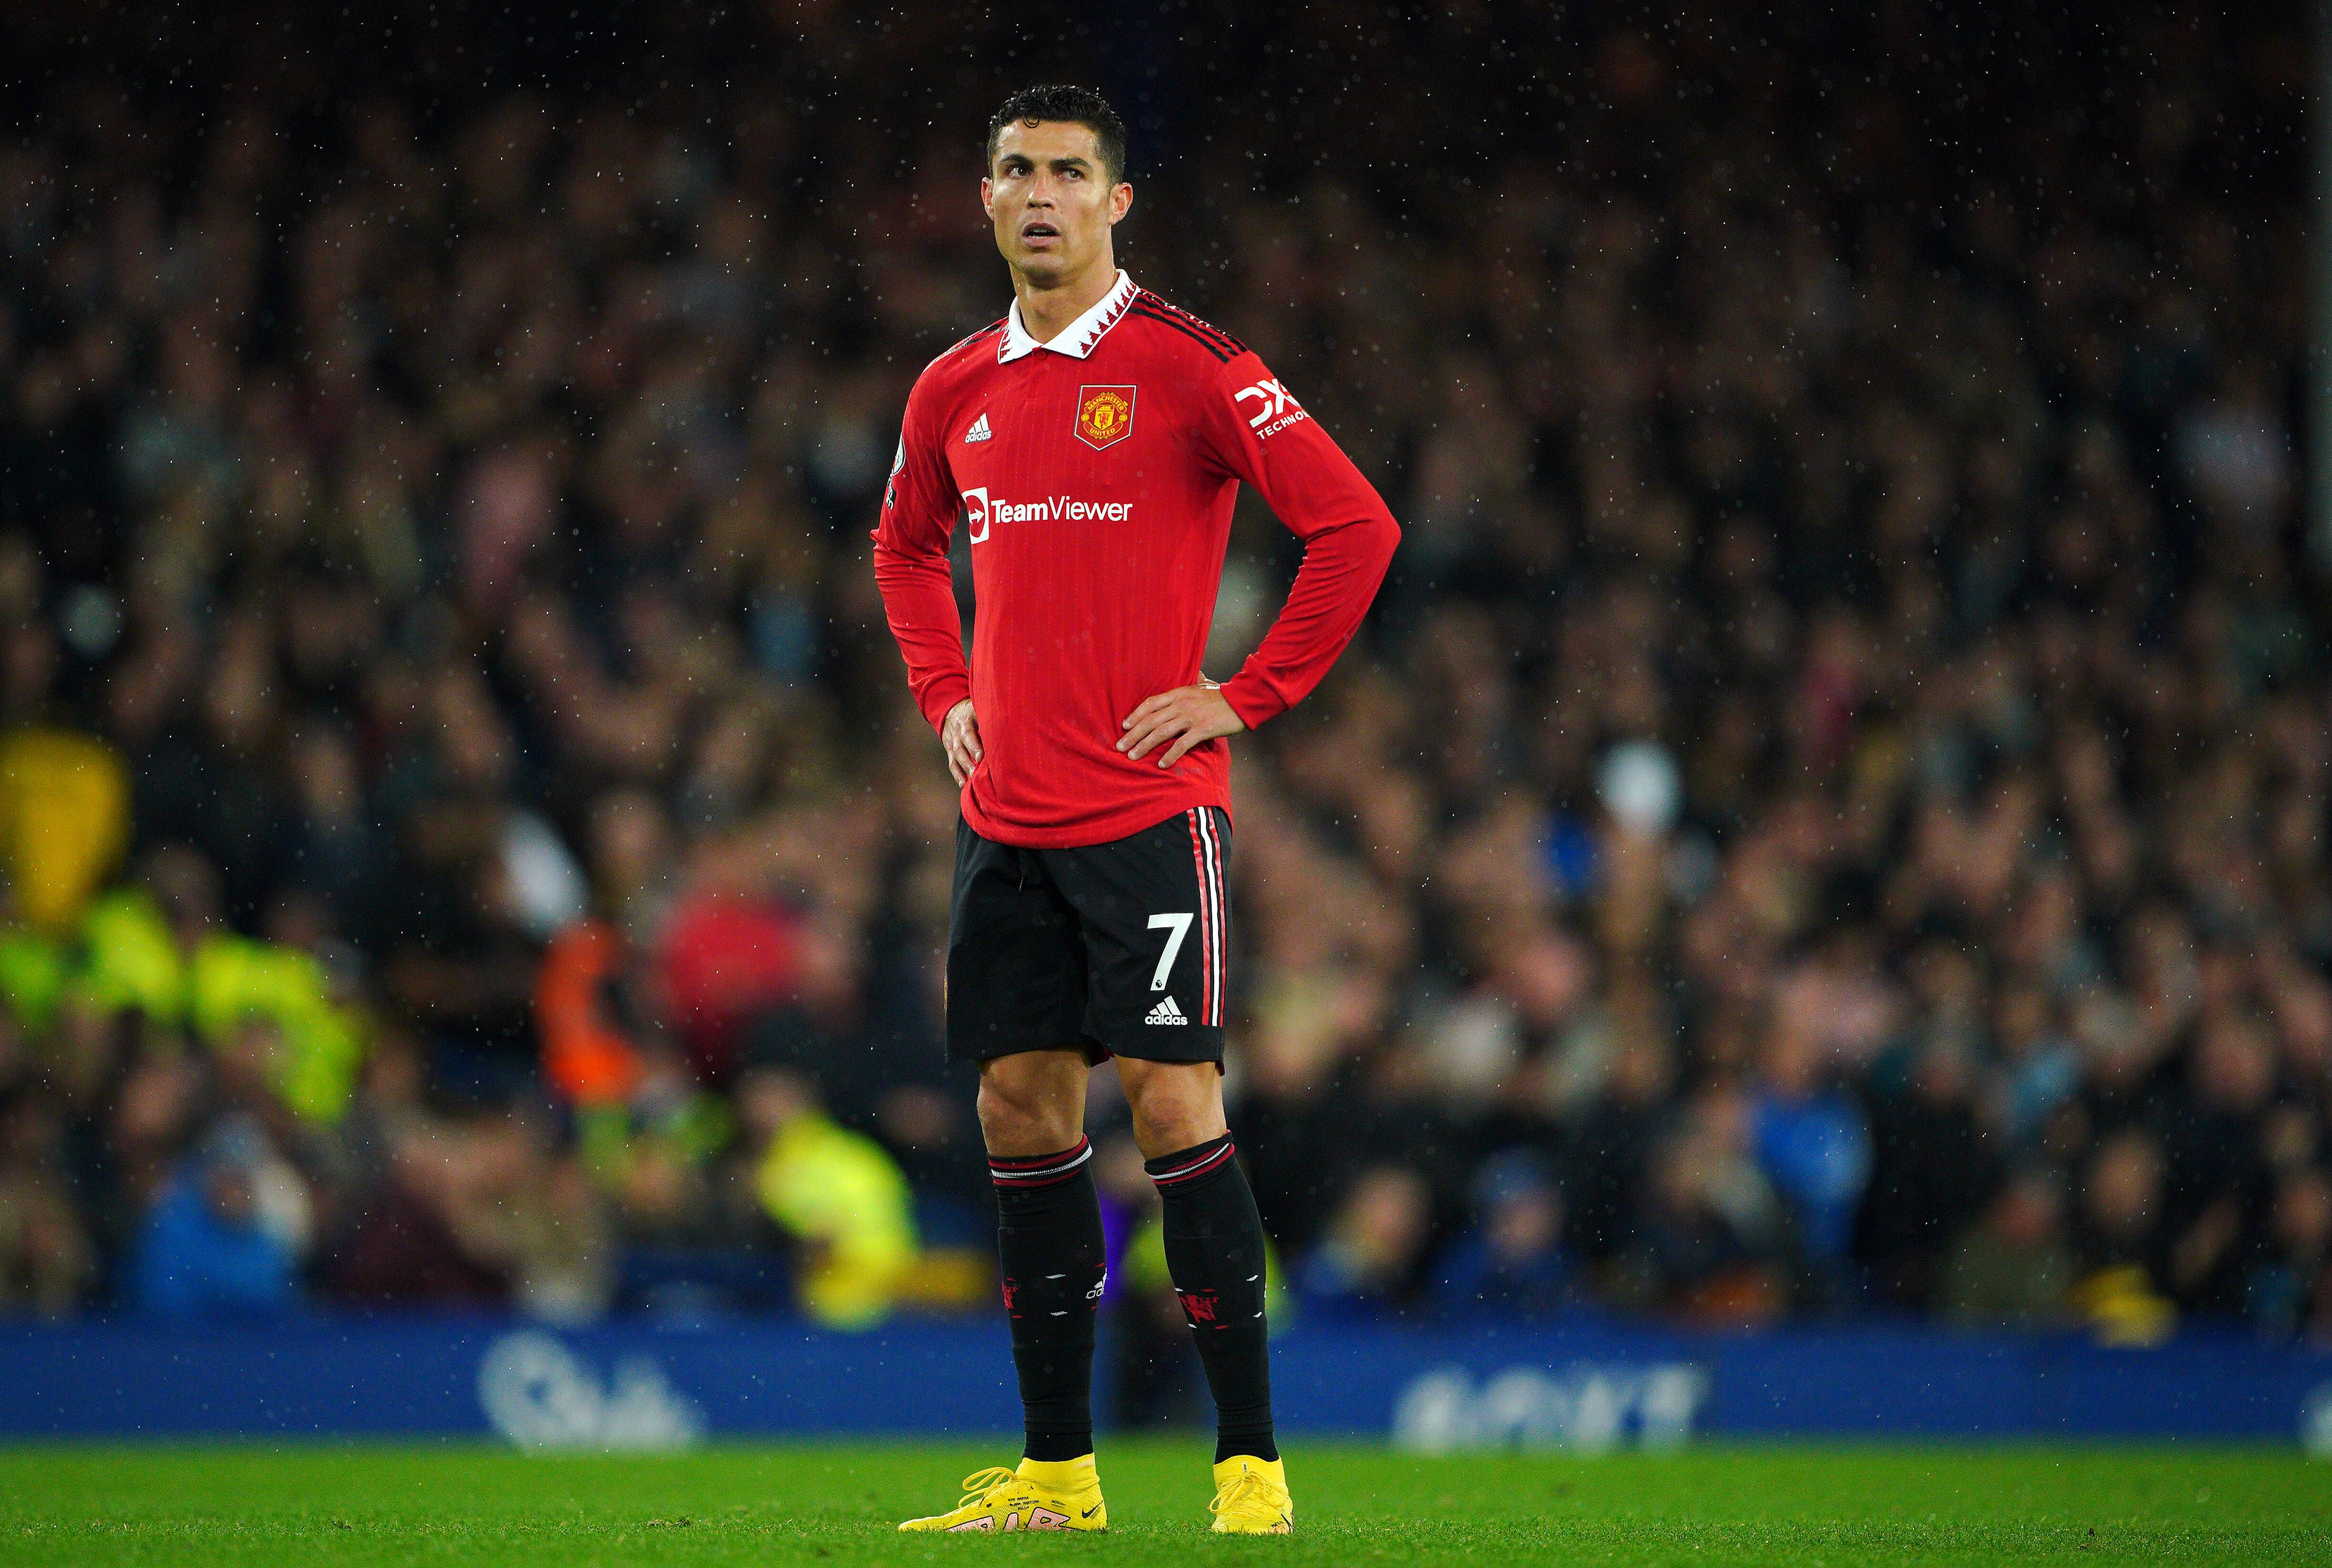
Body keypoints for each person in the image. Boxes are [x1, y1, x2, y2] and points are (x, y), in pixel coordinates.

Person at [874, 84, 1398, 1535]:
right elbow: (903, 546)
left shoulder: (1189, 367)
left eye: (1067, 173)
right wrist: (943, 696)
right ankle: (1057, 1475)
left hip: (1148, 818)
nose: (1039, 194)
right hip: (1007, 819)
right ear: (984, 201)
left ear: (1117, 203)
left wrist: (1250, 692)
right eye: (1014, 172)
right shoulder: (952, 387)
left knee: (1173, 1103)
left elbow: (1357, 525)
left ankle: (1250, 1470)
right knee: (1017, 1108)